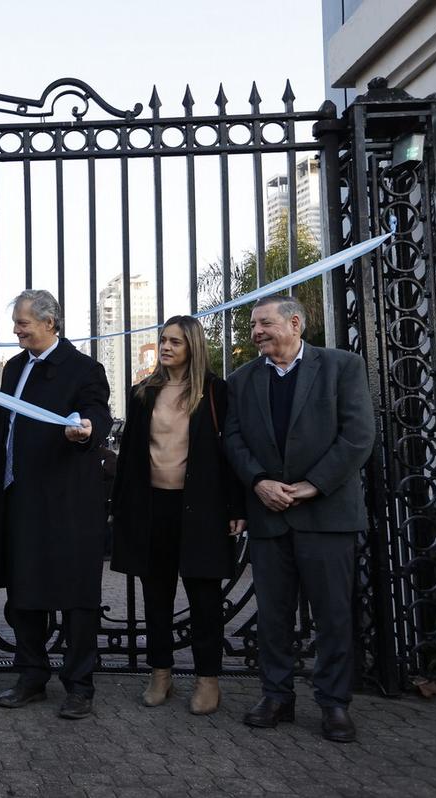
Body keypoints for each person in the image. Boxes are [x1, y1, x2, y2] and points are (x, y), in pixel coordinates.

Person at [223, 294, 375, 743]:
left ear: (295, 323)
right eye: (253, 326)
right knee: (272, 615)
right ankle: (276, 695)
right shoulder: (242, 380)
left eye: (264, 323)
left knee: (333, 616)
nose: (256, 332)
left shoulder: (341, 366)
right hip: (269, 515)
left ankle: (333, 704)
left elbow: (358, 434)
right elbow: (232, 438)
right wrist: (258, 483)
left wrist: (312, 485)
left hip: (327, 514)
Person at [0, 289, 111, 720]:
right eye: (16, 323)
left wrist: (86, 431)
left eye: (23, 323)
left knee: (76, 597)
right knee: (24, 593)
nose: (16, 330)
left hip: (67, 503)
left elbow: (97, 414)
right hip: (19, 497)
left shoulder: (83, 368)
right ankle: (31, 675)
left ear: (50, 323)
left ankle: (80, 686)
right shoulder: (15, 367)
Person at [109, 316, 246, 714]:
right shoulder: (142, 393)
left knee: (204, 596)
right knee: (157, 595)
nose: (166, 347)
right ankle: (161, 674)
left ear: (193, 348)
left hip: (200, 507)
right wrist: (120, 507)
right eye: (163, 340)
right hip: (153, 507)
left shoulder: (216, 391)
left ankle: (207, 679)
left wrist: (236, 507)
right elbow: (130, 457)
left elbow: (228, 452)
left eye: (175, 342)